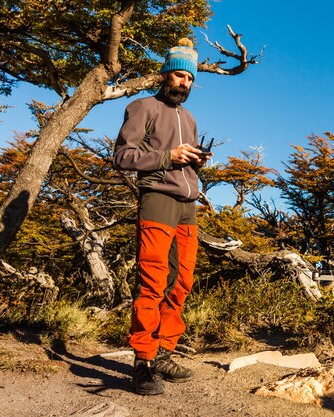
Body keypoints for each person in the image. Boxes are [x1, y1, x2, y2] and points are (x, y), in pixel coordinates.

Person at [113, 38, 210, 396]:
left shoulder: (190, 117)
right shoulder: (143, 107)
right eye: (179, 75)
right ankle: (143, 363)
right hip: (157, 200)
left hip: (188, 206)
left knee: (181, 282)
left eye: (189, 78)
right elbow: (123, 156)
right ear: (166, 74)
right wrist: (168, 156)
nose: (183, 83)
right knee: (153, 280)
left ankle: (165, 351)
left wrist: (196, 160)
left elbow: (182, 159)